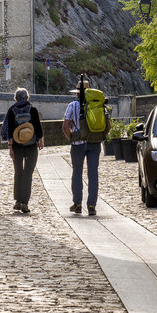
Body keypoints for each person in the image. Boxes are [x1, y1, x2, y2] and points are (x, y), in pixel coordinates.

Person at [0, 87, 44, 214]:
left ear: (16, 98)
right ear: (27, 97)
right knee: (28, 174)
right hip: (31, 146)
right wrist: (40, 140)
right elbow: (38, 128)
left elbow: (9, 131)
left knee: (18, 172)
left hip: (17, 146)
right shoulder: (33, 110)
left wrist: (10, 148)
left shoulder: (11, 111)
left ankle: (18, 201)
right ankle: (25, 203)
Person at [62, 76, 102, 216]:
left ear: (77, 93)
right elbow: (107, 125)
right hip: (94, 143)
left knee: (77, 173)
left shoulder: (73, 105)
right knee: (93, 174)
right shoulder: (98, 104)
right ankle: (92, 206)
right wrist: (99, 137)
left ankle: (77, 204)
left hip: (78, 144)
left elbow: (65, 126)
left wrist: (71, 138)